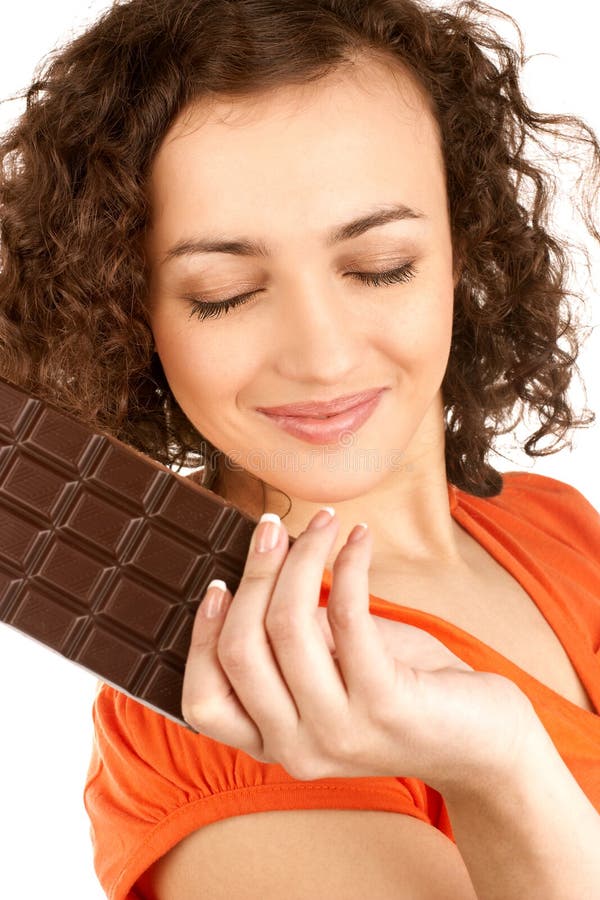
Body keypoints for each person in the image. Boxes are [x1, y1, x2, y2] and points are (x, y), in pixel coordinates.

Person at [1, 0, 599, 897]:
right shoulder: (225, 716)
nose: (322, 356)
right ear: (128, 312)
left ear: (463, 249)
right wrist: (500, 765)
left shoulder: (555, 524)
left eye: (379, 266)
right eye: (225, 291)